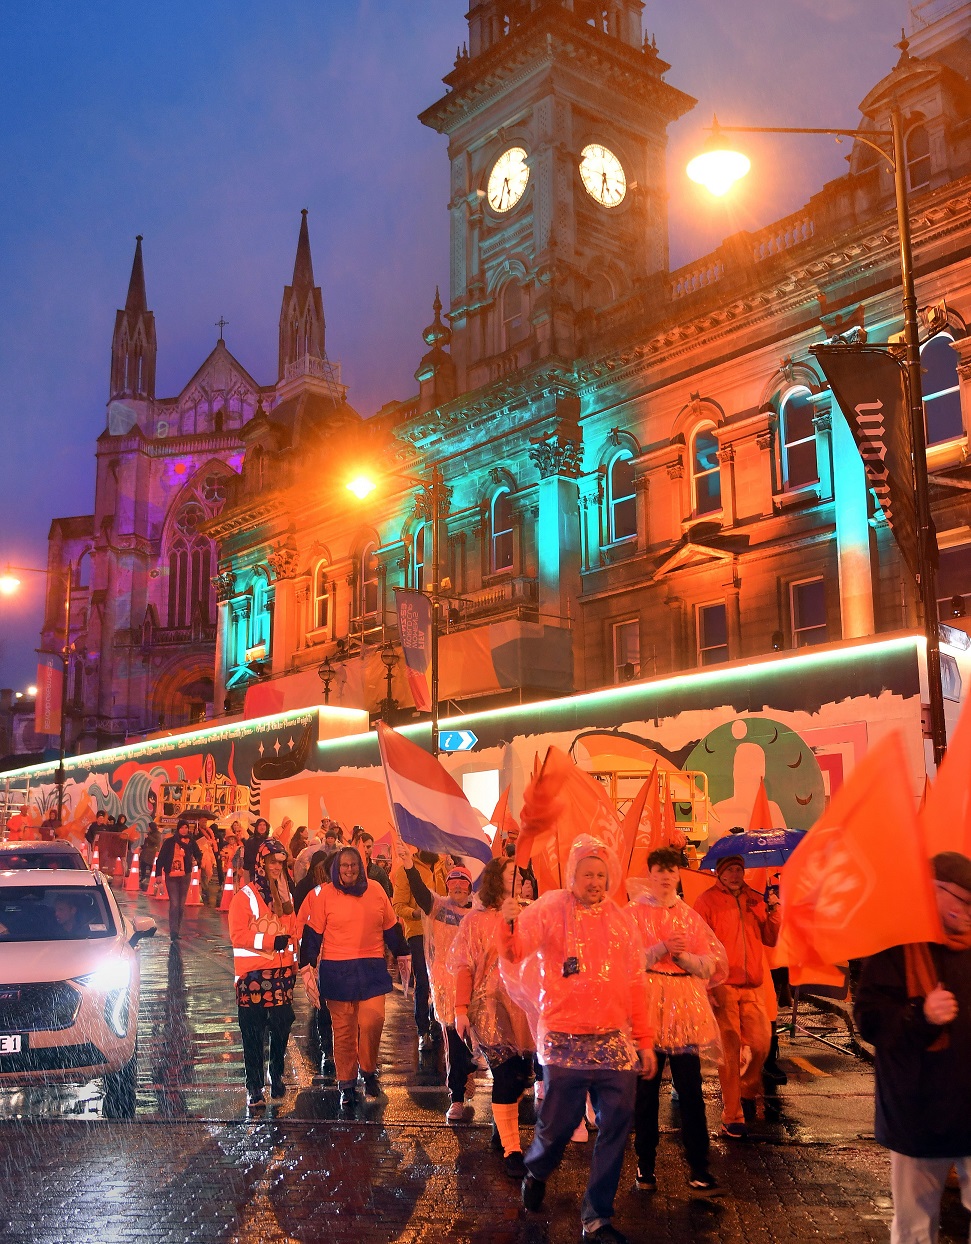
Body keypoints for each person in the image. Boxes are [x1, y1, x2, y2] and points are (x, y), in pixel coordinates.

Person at [499, 834, 656, 1244]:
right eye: (587, 873)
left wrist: (645, 1038)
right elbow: (516, 952)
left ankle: (597, 1217)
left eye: (601, 874)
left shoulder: (621, 921)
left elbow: (636, 983)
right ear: (573, 875)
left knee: (618, 1123)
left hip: (612, 1041)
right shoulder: (552, 908)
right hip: (562, 1037)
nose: (594, 881)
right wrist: (509, 921)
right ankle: (537, 1169)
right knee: (561, 1124)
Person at [855, 851, 971, 1243]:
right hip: (918, 1111)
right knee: (915, 1227)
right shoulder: (897, 947)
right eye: (963, 900)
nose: (969, 910)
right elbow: (870, 1021)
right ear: (934, 893)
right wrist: (921, 1014)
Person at [628, 847, 727, 1197]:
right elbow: (627, 961)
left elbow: (711, 964)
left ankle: (699, 1169)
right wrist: (660, 948)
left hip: (685, 1012)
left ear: (679, 875)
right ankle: (645, 1166)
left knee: (691, 1094)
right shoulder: (634, 913)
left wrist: (683, 956)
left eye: (672, 870)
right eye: (660, 870)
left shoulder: (689, 915)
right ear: (650, 874)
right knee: (646, 1093)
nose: (667, 876)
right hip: (648, 1010)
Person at [299, 846, 411, 1110]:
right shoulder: (326, 894)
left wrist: (404, 954)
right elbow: (313, 933)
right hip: (337, 971)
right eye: (344, 865)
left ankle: (369, 1069)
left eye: (354, 865)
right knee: (344, 1031)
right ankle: (347, 1084)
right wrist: (307, 966)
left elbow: (391, 928)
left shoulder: (376, 890)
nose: (349, 870)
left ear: (362, 866)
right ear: (337, 868)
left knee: (373, 1020)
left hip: (371, 968)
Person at [450, 855, 535, 1176]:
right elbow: (463, 966)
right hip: (490, 1009)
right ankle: (512, 1149)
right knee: (505, 1073)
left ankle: (502, 1135)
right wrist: (460, 1009)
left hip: (522, 1009)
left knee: (521, 1076)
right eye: (511, 874)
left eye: (520, 875)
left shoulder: (529, 914)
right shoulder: (475, 921)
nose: (518, 879)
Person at [694, 853, 781, 1138]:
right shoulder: (706, 901)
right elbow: (699, 945)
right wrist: (707, 986)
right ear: (719, 873)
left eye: (739, 869)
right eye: (729, 870)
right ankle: (732, 1115)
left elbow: (770, 938)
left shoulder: (755, 899)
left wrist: (774, 911)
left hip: (753, 985)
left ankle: (746, 1088)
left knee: (760, 1045)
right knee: (729, 1053)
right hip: (723, 985)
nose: (734, 874)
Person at [397, 842, 476, 1120]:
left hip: (474, 989)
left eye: (461, 884)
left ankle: (468, 1072)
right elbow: (419, 893)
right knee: (453, 1042)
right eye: (452, 884)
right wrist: (408, 865)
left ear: (469, 887)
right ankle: (456, 1095)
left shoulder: (478, 914)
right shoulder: (438, 908)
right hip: (446, 990)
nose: (456, 888)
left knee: (475, 1043)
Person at [228, 839, 298, 1109]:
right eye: (273, 862)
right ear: (262, 862)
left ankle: (276, 1072)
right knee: (253, 1032)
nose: (277, 867)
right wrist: (270, 943)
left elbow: (291, 934)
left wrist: (291, 963)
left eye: (281, 863)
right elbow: (238, 935)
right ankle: (255, 1086)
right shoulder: (245, 896)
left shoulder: (285, 897)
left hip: (281, 975)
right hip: (252, 976)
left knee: (282, 1024)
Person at [393, 848, 447, 1051]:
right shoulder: (405, 869)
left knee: (442, 980)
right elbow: (398, 904)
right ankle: (422, 1029)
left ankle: (436, 1021)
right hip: (417, 933)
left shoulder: (444, 866)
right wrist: (415, 913)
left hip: (443, 933)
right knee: (423, 981)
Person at [155, 821, 203, 940]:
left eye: (186, 827)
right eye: (182, 827)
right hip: (171, 875)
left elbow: (198, 854)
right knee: (175, 904)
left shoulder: (191, 842)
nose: (184, 830)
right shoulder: (169, 842)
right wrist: (158, 874)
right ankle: (173, 931)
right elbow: (161, 858)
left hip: (185, 875)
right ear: (178, 829)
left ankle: (178, 928)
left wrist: (196, 861)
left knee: (181, 905)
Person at [357, 831, 392, 898]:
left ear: (373, 847)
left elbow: (386, 897)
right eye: (362, 846)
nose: (365, 850)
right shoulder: (349, 870)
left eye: (368, 847)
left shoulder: (379, 872)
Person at [241, 818, 271, 883]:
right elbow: (247, 857)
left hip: (267, 871)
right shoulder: (251, 840)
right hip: (253, 871)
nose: (262, 827)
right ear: (257, 827)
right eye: (260, 825)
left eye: (264, 825)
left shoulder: (270, 841)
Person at [140, 820, 163, 891]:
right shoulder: (149, 833)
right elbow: (146, 843)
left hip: (152, 853)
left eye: (149, 827)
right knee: (143, 864)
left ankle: (152, 879)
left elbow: (156, 841)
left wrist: (149, 837)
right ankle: (143, 877)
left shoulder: (157, 834)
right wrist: (141, 847)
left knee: (151, 866)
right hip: (145, 852)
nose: (148, 828)